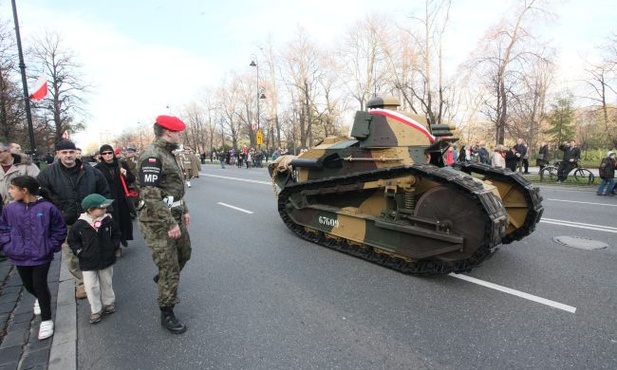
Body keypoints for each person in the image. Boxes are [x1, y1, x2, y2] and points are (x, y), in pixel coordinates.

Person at [137, 115, 192, 334]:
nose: (180, 135)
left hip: (174, 214)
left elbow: (173, 189)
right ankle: (167, 312)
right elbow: (150, 195)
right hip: (158, 221)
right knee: (170, 268)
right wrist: (169, 223)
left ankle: (163, 278)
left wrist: (184, 210)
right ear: (168, 132)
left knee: (185, 253)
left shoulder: (168, 153)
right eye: (178, 132)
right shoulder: (152, 155)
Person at [37, 139, 111, 299]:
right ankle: (81, 283)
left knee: (95, 249)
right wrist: (54, 214)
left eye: (71, 152)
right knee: (71, 254)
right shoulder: (47, 174)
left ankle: (97, 278)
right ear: (58, 154)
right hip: (65, 221)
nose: (68, 155)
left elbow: (105, 192)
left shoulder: (92, 172)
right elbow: (41, 199)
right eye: (64, 152)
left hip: (90, 219)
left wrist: (104, 212)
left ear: (76, 153)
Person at [0, 175, 67, 340]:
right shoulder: (10, 209)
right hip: (19, 255)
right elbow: (3, 228)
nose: (9, 191)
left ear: (24, 190)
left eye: (12, 188)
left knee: (40, 284)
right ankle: (39, 297)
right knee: (29, 285)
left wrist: (50, 245)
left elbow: (59, 228)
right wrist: (8, 245)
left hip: (41, 255)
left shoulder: (47, 208)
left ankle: (46, 319)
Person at [67, 193, 119, 324]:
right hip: (88, 261)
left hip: (106, 259)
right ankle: (95, 309)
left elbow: (116, 234)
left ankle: (109, 302)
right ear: (90, 210)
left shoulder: (108, 220)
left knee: (107, 282)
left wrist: (113, 246)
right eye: (101, 208)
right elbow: (72, 241)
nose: (105, 210)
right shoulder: (79, 225)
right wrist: (80, 252)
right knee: (91, 286)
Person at [0, 142, 41, 262]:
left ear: (8, 152)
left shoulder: (25, 165)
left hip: (29, 207)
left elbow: (38, 182)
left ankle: (37, 260)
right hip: (7, 209)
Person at [94, 144, 136, 255]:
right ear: (101, 155)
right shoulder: (98, 169)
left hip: (122, 198)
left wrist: (125, 173)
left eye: (109, 153)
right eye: (104, 153)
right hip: (107, 199)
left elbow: (132, 179)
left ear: (113, 153)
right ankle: (114, 245)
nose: (107, 155)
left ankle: (122, 239)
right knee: (110, 222)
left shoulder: (122, 164)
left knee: (123, 220)